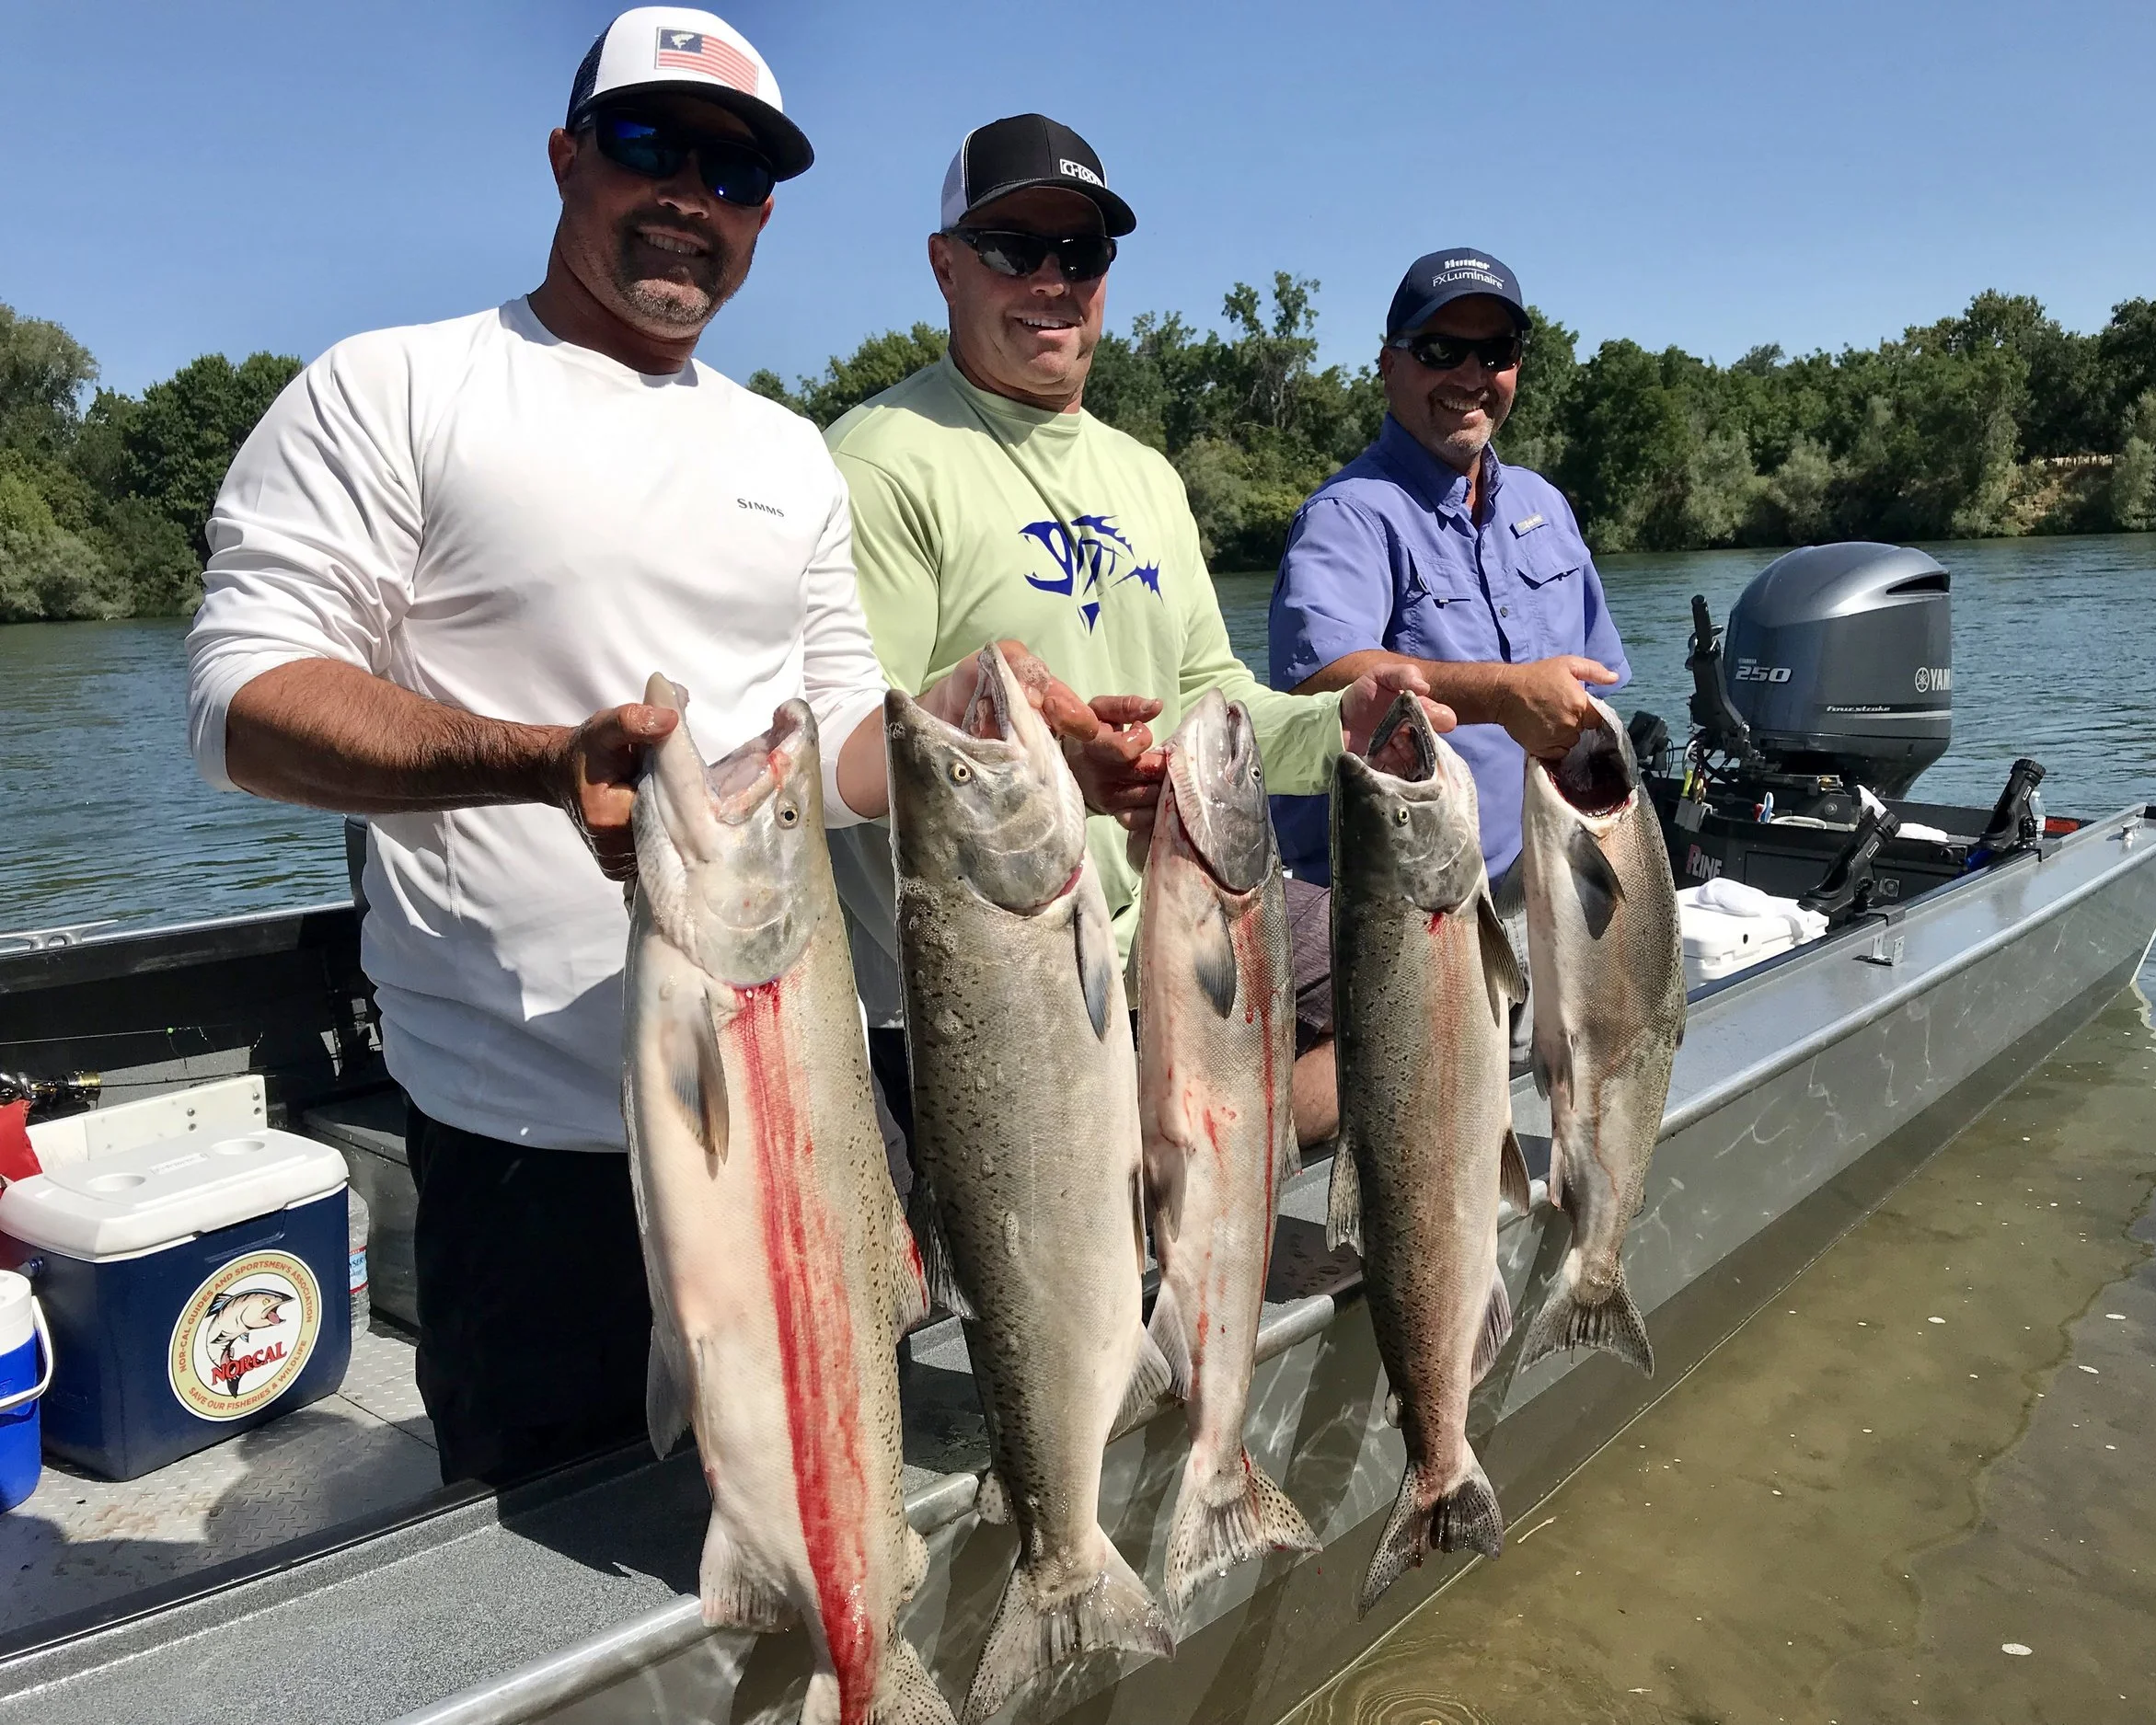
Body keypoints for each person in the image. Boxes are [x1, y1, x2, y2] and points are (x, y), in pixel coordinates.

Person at [183, 11, 1089, 1486]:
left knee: (834, 1502)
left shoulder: (784, 453)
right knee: (575, 1554)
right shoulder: (395, 385)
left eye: (735, 172)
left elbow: (846, 742)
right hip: (536, 1144)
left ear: (765, 215)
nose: (691, 192)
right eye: (649, 144)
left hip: (805, 1105)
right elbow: (241, 702)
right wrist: (542, 761)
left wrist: (965, 726)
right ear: (566, 156)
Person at [822, 114, 1448, 1148]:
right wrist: (1068, 773)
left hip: (1167, 913)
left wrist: (1338, 720)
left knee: (1431, 976)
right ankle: (1197, 1171)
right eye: (1014, 248)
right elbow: (860, 755)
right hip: (998, 969)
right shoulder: (878, 466)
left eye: (1081, 253)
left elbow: (1213, 693)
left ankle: (1209, 1167)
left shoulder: (1145, 476)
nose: (1051, 279)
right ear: (945, 267)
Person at [1265, 247, 1632, 1062]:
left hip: (1542, 893)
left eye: (1493, 353)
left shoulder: (1545, 506)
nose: (1470, 373)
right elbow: (1319, 684)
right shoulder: (1347, 517)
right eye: (1440, 350)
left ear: (1516, 370)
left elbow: (1598, 700)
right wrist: (1503, 693)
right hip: (1392, 907)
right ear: (1390, 364)